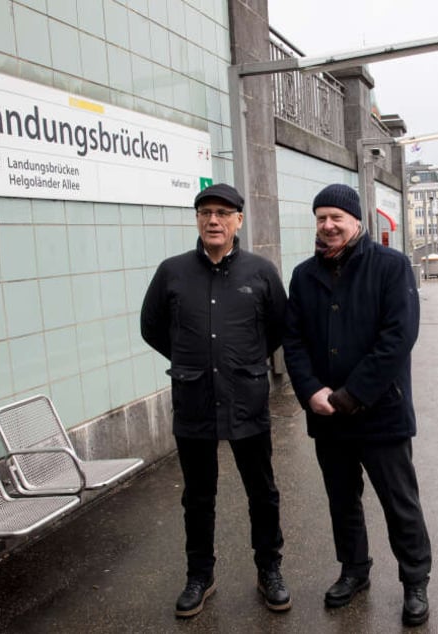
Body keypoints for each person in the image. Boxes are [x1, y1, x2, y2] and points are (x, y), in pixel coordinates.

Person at [282, 183, 432, 626]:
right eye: (321, 218)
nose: (327, 226)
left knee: (399, 502)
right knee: (342, 501)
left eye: (336, 218)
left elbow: (398, 338)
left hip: (381, 412)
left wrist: (352, 394)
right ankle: (354, 571)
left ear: (356, 222)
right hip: (327, 417)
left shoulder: (391, 266)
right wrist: (311, 391)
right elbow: (293, 342)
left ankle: (415, 580)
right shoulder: (303, 275)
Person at [140, 183, 290, 618]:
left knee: (261, 491)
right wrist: (193, 361)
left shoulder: (261, 272)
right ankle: (199, 575)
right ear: (197, 219)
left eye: (223, 213)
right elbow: (152, 327)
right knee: (198, 496)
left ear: (238, 220)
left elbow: (279, 328)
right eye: (206, 212)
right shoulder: (172, 272)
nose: (213, 220)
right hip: (195, 402)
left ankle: (270, 570)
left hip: (247, 399)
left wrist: (239, 362)